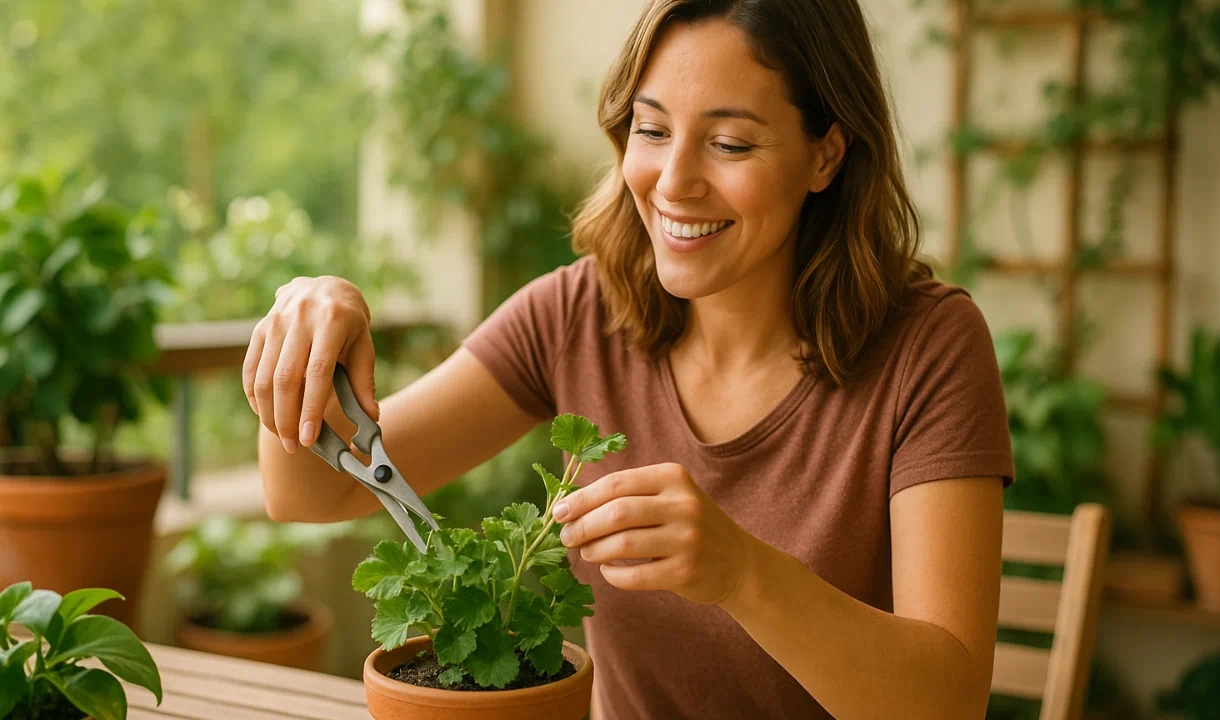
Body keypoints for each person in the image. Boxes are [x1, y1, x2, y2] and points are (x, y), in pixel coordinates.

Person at [246, 0, 1015, 717]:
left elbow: (948, 700)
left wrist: (742, 573)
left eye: (729, 143)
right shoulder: (580, 312)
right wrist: (311, 329)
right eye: (651, 131)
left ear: (826, 155)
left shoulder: (929, 348)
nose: (673, 182)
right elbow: (313, 493)